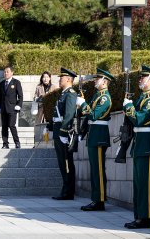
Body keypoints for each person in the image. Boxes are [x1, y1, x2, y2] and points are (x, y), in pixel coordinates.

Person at [122, 65, 150, 229]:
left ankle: (145, 218)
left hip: (147, 144)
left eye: (143, 77)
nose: (140, 79)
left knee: (145, 183)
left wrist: (128, 107)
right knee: (138, 183)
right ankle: (139, 216)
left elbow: (139, 119)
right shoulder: (141, 98)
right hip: (139, 142)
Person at [76, 67, 113, 212]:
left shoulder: (105, 97)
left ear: (105, 82)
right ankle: (96, 198)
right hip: (93, 134)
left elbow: (93, 115)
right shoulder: (97, 95)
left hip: (99, 136)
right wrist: (81, 103)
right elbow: (86, 112)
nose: (95, 81)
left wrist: (83, 104)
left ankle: (100, 200)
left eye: (98, 79)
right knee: (94, 170)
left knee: (98, 170)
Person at [51, 67, 78, 201]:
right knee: (62, 163)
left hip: (64, 133)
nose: (60, 79)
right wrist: (50, 125)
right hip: (58, 131)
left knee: (67, 162)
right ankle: (65, 189)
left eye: (62, 77)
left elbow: (69, 114)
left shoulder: (71, 93)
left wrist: (63, 131)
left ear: (68, 79)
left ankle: (68, 192)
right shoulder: (63, 93)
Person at [0, 65, 23, 149]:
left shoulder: (16, 82)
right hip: (3, 108)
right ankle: (5, 143)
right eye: (4, 72)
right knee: (4, 126)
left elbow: (20, 96)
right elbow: (0, 96)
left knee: (11, 125)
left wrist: (19, 105)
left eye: (7, 71)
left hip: (12, 108)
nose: (6, 73)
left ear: (12, 72)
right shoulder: (2, 83)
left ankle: (17, 142)